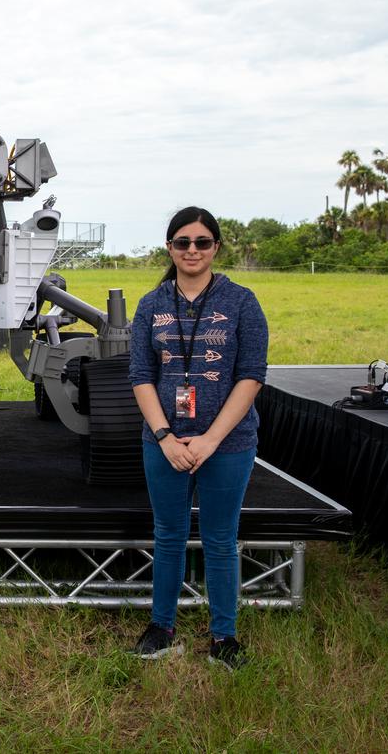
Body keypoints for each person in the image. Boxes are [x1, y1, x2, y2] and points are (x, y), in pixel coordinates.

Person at [126, 206, 268, 670]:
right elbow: (141, 375)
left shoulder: (242, 301)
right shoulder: (151, 304)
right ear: (169, 247)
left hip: (227, 444)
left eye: (202, 242)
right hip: (163, 443)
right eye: (182, 242)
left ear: (216, 248)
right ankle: (162, 628)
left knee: (221, 539)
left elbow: (250, 376)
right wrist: (165, 435)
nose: (192, 250)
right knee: (168, 535)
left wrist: (209, 440)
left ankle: (223, 637)